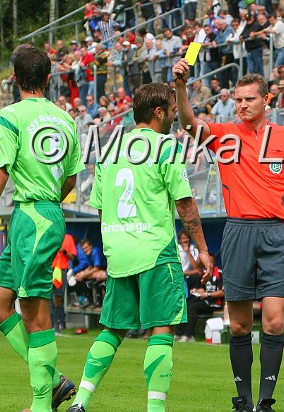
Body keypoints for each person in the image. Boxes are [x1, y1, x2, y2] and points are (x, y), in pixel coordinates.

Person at [172, 59, 284, 412]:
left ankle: (265, 402)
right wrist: (181, 88)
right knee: (239, 325)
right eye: (238, 100)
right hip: (238, 232)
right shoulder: (224, 135)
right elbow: (188, 124)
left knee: (273, 321)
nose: (242, 106)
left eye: (249, 100)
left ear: (266, 100)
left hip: (276, 233)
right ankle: (242, 401)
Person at [67, 82, 213, 412]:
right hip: (156, 251)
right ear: (159, 112)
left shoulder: (108, 150)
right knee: (161, 331)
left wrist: (116, 242)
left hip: (120, 252)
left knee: (113, 329)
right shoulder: (167, 148)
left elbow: (102, 207)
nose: (176, 116)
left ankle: (81, 400)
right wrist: (202, 249)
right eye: (174, 111)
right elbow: (185, 204)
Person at [0, 45, 86, 412]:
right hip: (39, 213)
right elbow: (72, 179)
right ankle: (53, 381)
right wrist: (49, 199)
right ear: (48, 79)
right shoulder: (67, 120)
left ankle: (41, 402)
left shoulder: (8, 117)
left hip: (32, 216)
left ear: (14, 79)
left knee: (34, 312)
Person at [176, 266, 225, 342]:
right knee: (186, 304)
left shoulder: (220, 273)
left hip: (215, 303)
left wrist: (207, 294)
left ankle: (189, 335)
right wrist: (196, 290)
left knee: (192, 307)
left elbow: (222, 292)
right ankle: (178, 333)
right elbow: (203, 289)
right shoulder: (206, 273)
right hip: (205, 300)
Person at [51, 233, 78, 335]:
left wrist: (64, 251)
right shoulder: (49, 235)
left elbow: (72, 257)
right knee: (48, 298)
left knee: (58, 298)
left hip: (61, 270)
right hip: (49, 269)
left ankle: (57, 326)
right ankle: (49, 326)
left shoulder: (68, 238)